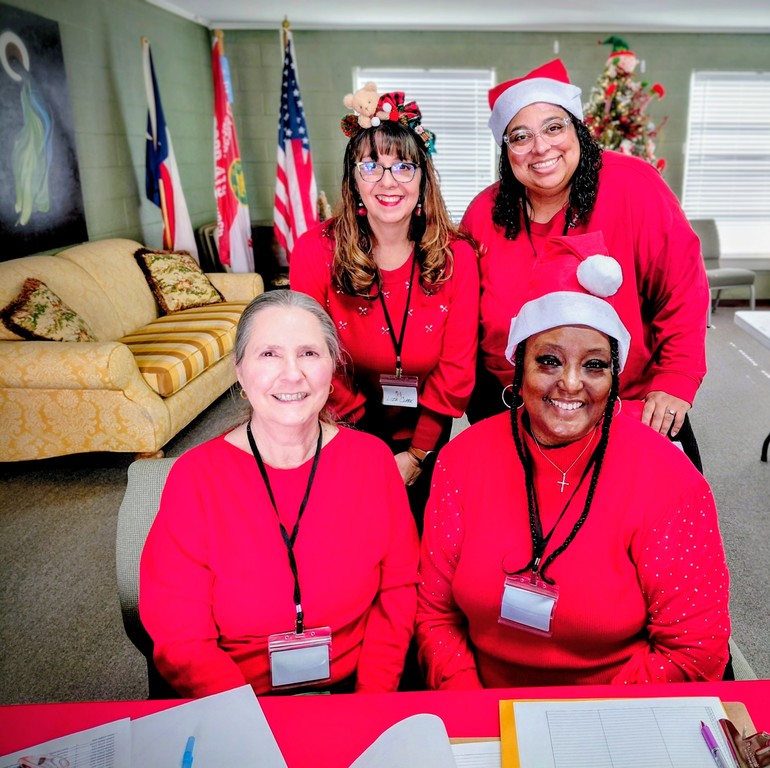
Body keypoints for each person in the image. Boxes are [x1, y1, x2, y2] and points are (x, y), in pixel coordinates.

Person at [415, 232, 730, 689]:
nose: (570, 384)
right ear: (518, 369)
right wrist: (470, 705)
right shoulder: (460, 460)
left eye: (594, 365)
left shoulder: (670, 479)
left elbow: (695, 644)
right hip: (480, 704)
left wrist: (583, 727)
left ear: (615, 377)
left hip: (617, 715)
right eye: (548, 360)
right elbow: (436, 617)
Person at [140, 290, 418, 697]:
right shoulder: (195, 479)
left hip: (354, 688)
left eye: (309, 353)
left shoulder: (373, 462)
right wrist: (249, 726)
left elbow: (397, 593)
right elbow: (181, 640)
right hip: (236, 702)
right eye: (269, 354)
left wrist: (369, 702)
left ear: (333, 366)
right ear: (239, 371)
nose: (291, 374)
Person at [461, 59, 709, 471]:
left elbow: (682, 288)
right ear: (506, 151)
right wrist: (485, 407)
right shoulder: (483, 214)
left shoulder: (634, 185)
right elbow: (466, 318)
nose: (541, 147)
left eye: (554, 127)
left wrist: (676, 381)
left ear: (578, 129)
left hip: (626, 405)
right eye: (520, 136)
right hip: (517, 412)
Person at [290, 88, 479, 527]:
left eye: (403, 167)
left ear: (423, 179)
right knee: (350, 537)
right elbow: (310, 356)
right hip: (343, 425)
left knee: (426, 541)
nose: (388, 181)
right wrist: (365, 442)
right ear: (353, 179)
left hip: (429, 432)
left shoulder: (458, 257)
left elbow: (457, 369)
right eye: (371, 166)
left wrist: (417, 453)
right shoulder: (315, 251)